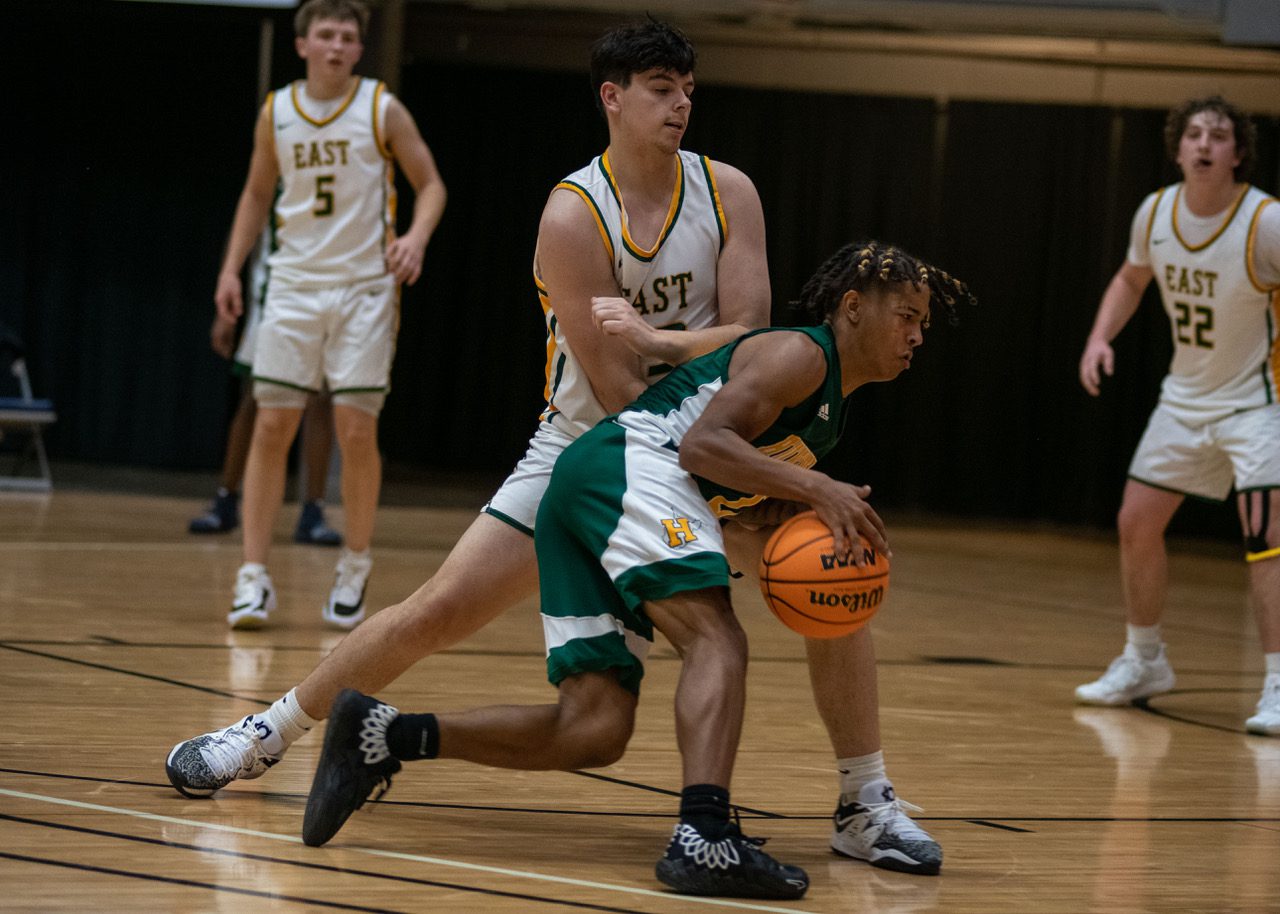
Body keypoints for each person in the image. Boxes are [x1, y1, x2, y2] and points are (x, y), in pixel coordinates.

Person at [167, 19, 942, 877]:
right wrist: (714, 463)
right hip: (596, 445)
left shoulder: (729, 191)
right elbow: (617, 387)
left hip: (708, 436)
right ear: (612, 97)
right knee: (439, 609)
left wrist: (665, 346)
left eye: (687, 90)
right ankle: (263, 732)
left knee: (836, 567)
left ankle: (864, 801)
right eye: (660, 89)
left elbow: (749, 337)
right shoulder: (574, 214)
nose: (680, 105)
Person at [300, 241, 973, 902]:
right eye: (906, 316)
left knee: (593, 730)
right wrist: (817, 488)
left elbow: (723, 476)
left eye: (923, 323)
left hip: (592, 487)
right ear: (853, 307)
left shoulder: (829, 405)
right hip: (627, 464)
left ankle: (380, 734)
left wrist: (775, 508)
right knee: (716, 638)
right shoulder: (800, 354)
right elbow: (702, 446)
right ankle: (703, 836)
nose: (917, 335)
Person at [210, 0, 445, 631]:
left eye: (348, 37)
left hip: (364, 287)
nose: (338, 46)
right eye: (326, 35)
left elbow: (431, 184)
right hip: (292, 285)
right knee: (271, 425)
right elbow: (256, 193)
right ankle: (252, 576)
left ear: (359, 48)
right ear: (303, 44)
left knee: (356, 430)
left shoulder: (381, 107)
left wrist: (416, 237)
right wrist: (231, 269)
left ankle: (355, 565)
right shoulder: (277, 111)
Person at [1075, 95, 1280, 735]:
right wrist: (1099, 338)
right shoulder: (1156, 211)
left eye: (1218, 135)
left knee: (1266, 536)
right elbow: (1132, 278)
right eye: (1193, 134)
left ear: (1238, 153)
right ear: (1177, 147)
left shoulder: (1266, 221)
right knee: (1136, 521)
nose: (1204, 144)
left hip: (1259, 402)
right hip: (1185, 398)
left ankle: (1279, 683)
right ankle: (1145, 660)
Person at [190, 238, 342, 547]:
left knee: (320, 400)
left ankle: (313, 511)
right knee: (254, 400)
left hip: (326, 297)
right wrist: (225, 303)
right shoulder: (265, 204)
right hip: (275, 301)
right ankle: (226, 499)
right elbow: (241, 235)